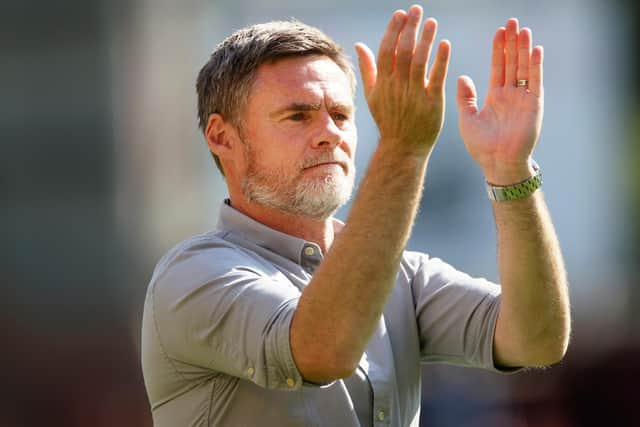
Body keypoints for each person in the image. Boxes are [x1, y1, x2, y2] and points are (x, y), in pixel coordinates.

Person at [141, 5, 570, 426]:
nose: (330, 133)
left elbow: (537, 340)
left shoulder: (402, 275)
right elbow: (321, 350)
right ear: (222, 137)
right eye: (298, 115)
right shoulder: (193, 274)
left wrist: (509, 170)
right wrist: (403, 148)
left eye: (341, 115)